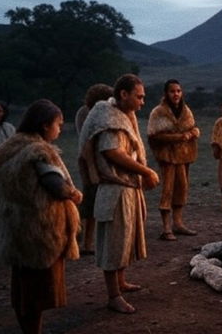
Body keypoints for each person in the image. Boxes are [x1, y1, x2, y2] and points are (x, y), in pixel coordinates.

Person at [0, 99, 82, 334]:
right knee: (36, 292)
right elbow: (54, 184)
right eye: (58, 124)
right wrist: (73, 194)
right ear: (44, 125)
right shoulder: (38, 151)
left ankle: (29, 329)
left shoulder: (10, 147)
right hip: (37, 234)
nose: (60, 129)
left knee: (22, 287)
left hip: (15, 230)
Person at [78, 74, 159, 314]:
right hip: (115, 189)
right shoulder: (109, 118)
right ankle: (113, 295)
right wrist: (146, 171)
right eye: (139, 96)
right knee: (114, 242)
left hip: (127, 188)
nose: (142, 101)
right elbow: (113, 152)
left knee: (125, 238)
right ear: (124, 94)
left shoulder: (123, 116)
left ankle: (121, 282)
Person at [147, 79, 200, 241]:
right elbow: (154, 135)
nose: (176, 94)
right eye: (172, 91)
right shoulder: (158, 112)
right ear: (166, 93)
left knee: (182, 188)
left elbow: (191, 127)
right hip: (167, 157)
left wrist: (194, 132)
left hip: (183, 156)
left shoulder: (186, 110)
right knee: (167, 189)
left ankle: (178, 223)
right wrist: (178, 137)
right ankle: (166, 227)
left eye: (178, 91)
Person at [75, 83, 114, 255]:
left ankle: (96, 239)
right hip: (89, 159)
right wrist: (91, 167)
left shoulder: (105, 112)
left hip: (102, 159)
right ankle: (86, 242)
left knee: (102, 198)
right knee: (90, 199)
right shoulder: (85, 114)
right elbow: (87, 143)